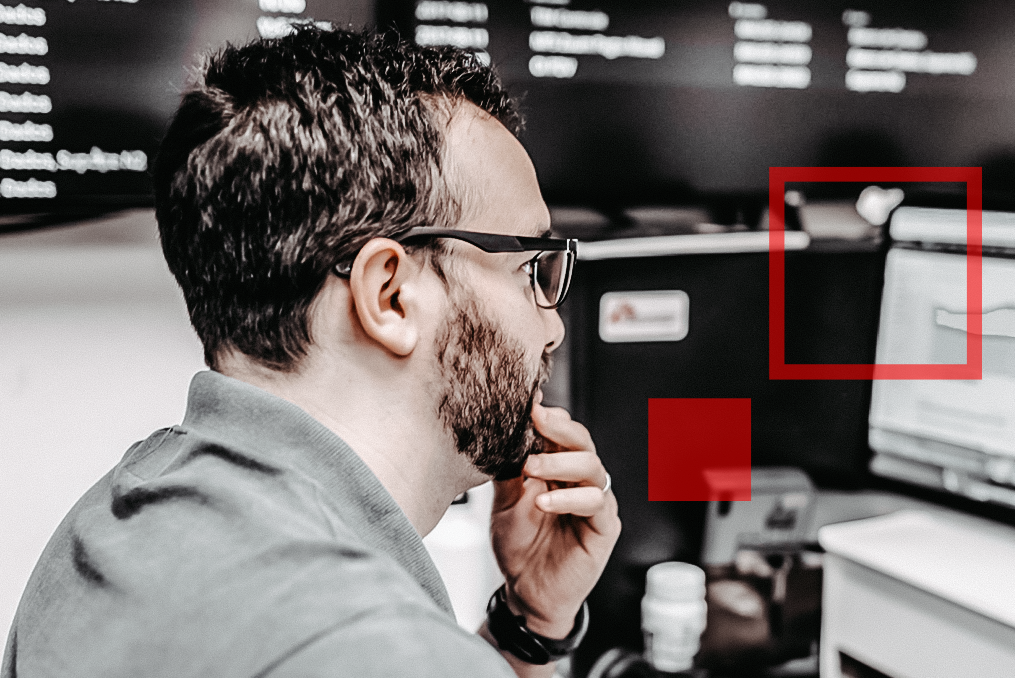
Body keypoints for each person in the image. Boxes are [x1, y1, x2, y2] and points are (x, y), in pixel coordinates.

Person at [1, 27, 620, 678]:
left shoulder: (104, 526)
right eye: (530, 270)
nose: (550, 329)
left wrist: (527, 624)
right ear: (389, 295)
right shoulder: (378, 648)